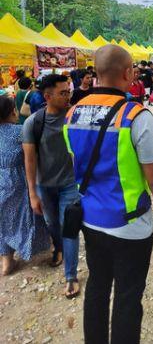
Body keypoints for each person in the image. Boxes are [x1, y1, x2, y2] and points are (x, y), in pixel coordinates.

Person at [64, 44, 153, 344]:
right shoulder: (135, 116)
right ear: (128, 73)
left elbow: (76, 161)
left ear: (97, 72)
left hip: (91, 220)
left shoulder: (73, 113)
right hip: (130, 226)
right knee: (128, 298)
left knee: (98, 288)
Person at [22, 74, 81, 298]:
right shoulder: (33, 123)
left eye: (69, 91)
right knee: (53, 224)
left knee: (70, 227)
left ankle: (70, 276)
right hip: (45, 186)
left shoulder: (75, 117)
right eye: (63, 92)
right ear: (47, 96)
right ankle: (57, 247)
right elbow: (30, 159)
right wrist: (32, 193)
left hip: (70, 184)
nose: (68, 96)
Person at [0, 96, 49, 275]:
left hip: (1, 181)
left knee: (2, 221)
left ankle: (6, 261)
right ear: (13, 111)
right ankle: (33, 246)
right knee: (26, 216)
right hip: (18, 180)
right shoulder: (20, 131)